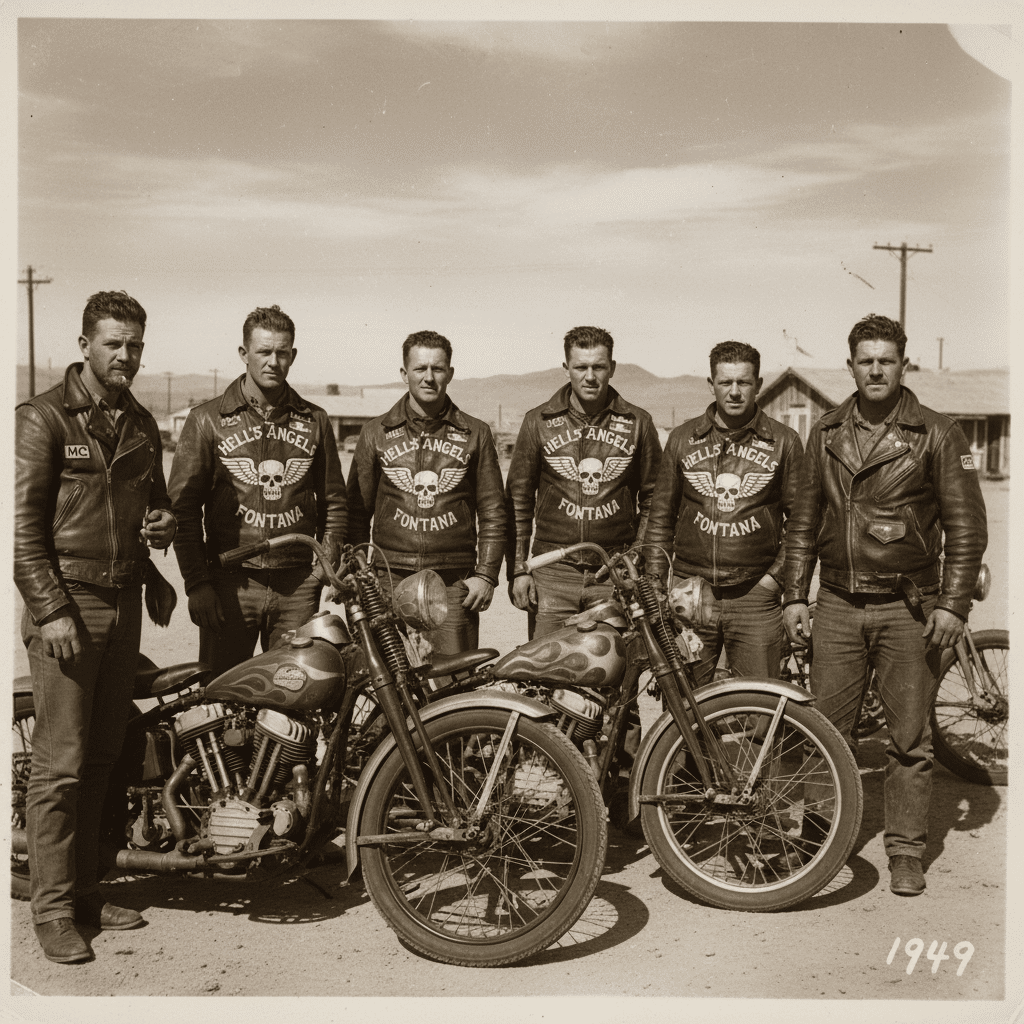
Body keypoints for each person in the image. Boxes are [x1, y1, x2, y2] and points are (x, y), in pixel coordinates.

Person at [783, 314, 987, 896]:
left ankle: (905, 851)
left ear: (903, 364)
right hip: (839, 605)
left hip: (909, 608)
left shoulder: (939, 434)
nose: (876, 369)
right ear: (850, 366)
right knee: (825, 733)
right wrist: (797, 592)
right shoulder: (823, 432)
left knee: (909, 739)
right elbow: (803, 523)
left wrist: (952, 605)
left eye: (887, 359)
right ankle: (818, 838)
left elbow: (966, 526)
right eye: (865, 360)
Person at [15, 291, 176, 963]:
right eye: (114, 343)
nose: (126, 355)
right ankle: (50, 910)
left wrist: (158, 553)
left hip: (123, 601)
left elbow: (153, 506)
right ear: (84, 344)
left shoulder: (139, 421)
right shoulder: (44, 417)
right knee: (61, 764)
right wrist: (51, 610)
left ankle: (86, 889)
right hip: (69, 607)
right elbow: (22, 533)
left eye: (135, 344)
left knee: (107, 760)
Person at [169, 305, 346, 675]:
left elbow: (334, 503)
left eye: (282, 352)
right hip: (230, 584)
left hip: (297, 585)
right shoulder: (207, 420)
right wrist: (197, 583)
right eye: (264, 352)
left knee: (296, 693)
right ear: (244, 354)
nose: (273, 361)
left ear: (293, 355)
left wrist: (322, 571)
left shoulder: (315, 420)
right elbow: (182, 510)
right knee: (223, 695)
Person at [645, 340, 802, 687]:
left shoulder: (785, 442)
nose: (734, 392)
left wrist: (773, 580)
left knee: (761, 702)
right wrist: (657, 585)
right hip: (691, 591)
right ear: (711, 383)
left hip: (755, 597)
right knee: (688, 707)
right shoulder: (683, 438)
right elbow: (660, 519)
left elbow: (802, 523)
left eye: (743, 382)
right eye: (725, 382)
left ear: (758, 385)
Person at [346, 330, 505, 654]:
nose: (429, 377)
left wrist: (485, 575)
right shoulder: (375, 433)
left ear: (450, 373)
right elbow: (355, 513)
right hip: (388, 578)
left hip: (453, 583)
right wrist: (361, 573)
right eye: (420, 369)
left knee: (452, 688)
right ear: (405, 374)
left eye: (437, 368)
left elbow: (493, 511)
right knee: (389, 688)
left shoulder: (476, 433)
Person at [506, 325, 662, 637]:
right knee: (546, 673)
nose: (590, 376)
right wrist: (520, 569)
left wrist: (635, 556)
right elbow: (518, 502)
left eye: (599, 367)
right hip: (552, 572)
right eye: (581, 367)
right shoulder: (538, 422)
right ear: (566, 369)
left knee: (611, 671)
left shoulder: (638, 423)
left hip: (612, 573)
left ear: (612, 368)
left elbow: (654, 500)